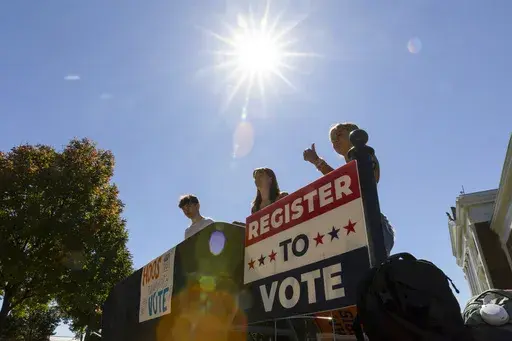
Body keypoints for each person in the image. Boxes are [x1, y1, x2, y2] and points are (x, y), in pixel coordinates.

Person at [303, 122, 395, 256]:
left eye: (339, 134)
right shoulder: (349, 167)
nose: (335, 141)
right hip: (352, 226)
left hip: (373, 224)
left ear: (353, 133)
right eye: (332, 139)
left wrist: (317, 161)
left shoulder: (365, 154)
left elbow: (348, 183)